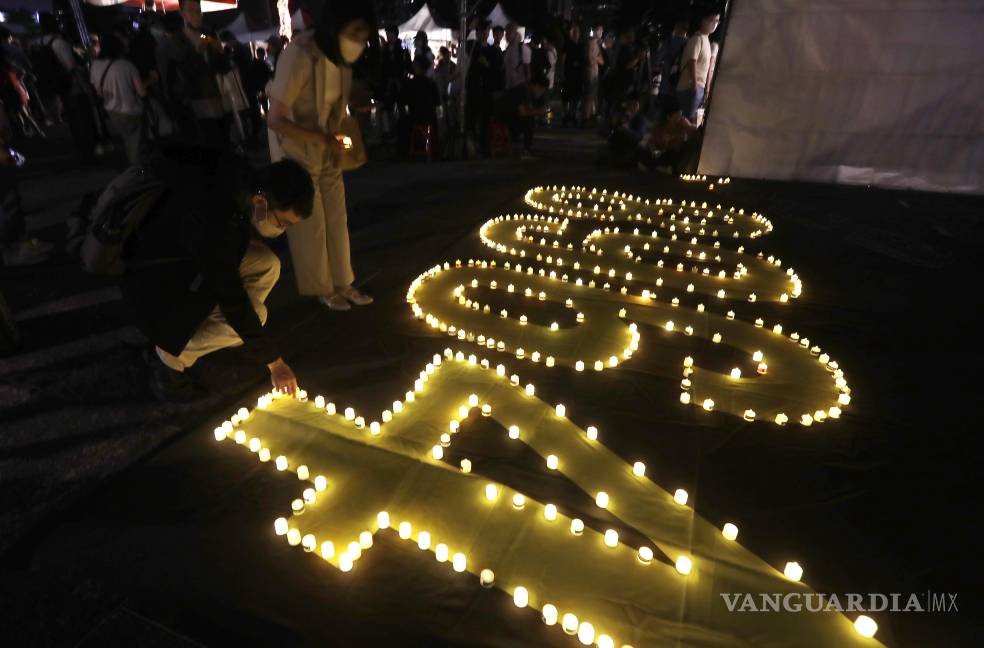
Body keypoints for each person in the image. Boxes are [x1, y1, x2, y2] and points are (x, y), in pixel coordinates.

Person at [124, 148, 314, 401]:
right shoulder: (216, 222)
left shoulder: (240, 182)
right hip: (155, 290)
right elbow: (232, 296)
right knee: (255, 314)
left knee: (267, 264)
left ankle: (233, 333)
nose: (282, 230)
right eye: (283, 223)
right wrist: (275, 364)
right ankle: (167, 360)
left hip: (183, 268)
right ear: (260, 202)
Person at [266, 0, 375, 311]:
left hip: (328, 147)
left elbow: (334, 100)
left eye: (364, 35)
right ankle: (321, 288)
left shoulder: (339, 57)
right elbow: (275, 118)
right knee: (309, 220)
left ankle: (344, 282)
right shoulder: (299, 54)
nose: (360, 41)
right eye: (355, 31)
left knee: (337, 215)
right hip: (297, 148)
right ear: (336, 25)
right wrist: (320, 137)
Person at [90, 33, 147, 166]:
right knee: (136, 145)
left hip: (112, 111)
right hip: (132, 110)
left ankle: (135, 169)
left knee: (127, 142)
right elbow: (142, 92)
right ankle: (138, 172)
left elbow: (97, 91)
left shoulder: (95, 66)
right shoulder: (127, 65)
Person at [676, 11, 720, 122]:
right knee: (688, 121)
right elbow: (692, 61)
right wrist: (695, 86)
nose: (714, 24)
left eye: (717, 21)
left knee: (691, 121)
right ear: (703, 21)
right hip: (690, 87)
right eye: (711, 20)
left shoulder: (706, 40)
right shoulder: (697, 38)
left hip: (697, 88)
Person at [494, 73, 548, 159]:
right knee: (529, 120)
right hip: (502, 117)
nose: (542, 92)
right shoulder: (522, 91)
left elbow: (535, 107)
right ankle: (526, 150)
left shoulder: (530, 93)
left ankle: (526, 148)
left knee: (529, 119)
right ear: (536, 85)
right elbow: (523, 112)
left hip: (510, 116)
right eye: (542, 89)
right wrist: (539, 111)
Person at [378, 24, 410, 140]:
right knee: (387, 108)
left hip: (399, 82)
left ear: (395, 34)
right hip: (388, 83)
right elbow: (383, 67)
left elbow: (406, 64)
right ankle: (389, 132)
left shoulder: (402, 47)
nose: (388, 36)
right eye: (387, 34)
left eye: (389, 34)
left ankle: (401, 132)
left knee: (401, 107)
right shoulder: (385, 48)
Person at [561, 24, 584, 126]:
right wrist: (562, 72)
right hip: (569, 73)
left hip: (578, 74)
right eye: (574, 32)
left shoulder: (581, 45)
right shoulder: (567, 44)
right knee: (567, 96)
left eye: (577, 32)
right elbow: (563, 58)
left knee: (576, 96)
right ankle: (566, 115)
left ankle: (573, 115)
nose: (576, 34)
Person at [582, 24, 604, 122]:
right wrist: (595, 58)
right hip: (591, 73)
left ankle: (590, 115)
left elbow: (601, 61)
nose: (601, 33)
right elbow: (590, 60)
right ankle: (586, 117)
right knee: (589, 96)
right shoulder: (591, 43)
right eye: (600, 31)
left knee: (592, 95)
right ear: (595, 31)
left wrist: (595, 58)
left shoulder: (597, 44)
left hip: (594, 73)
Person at [502, 23, 530, 90]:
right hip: (509, 87)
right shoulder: (509, 49)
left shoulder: (523, 49)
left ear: (515, 34)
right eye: (506, 33)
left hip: (519, 87)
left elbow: (528, 71)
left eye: (509, 33)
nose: (506, 36)